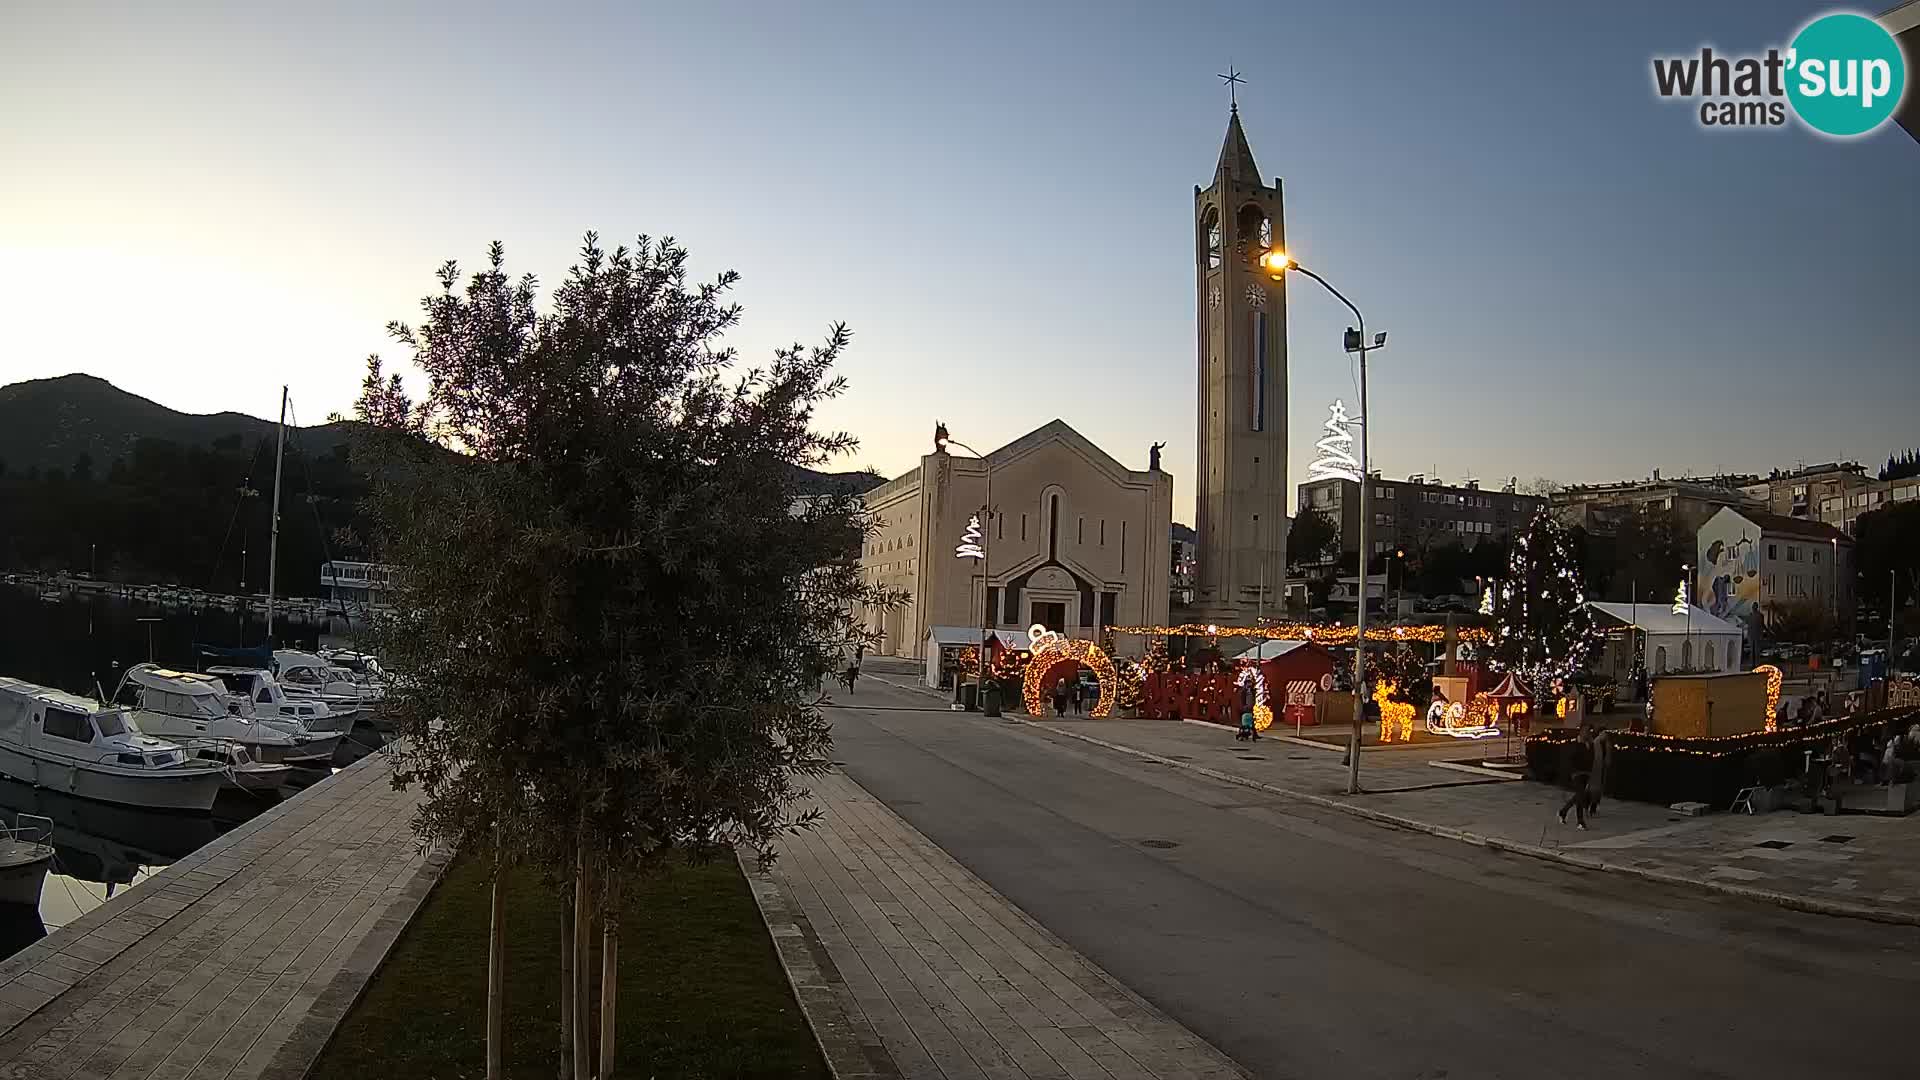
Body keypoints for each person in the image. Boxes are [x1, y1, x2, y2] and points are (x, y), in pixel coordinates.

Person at [1559, 729, 1595, 829]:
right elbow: (1571, 758)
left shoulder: (1590, 744)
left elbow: (1591, 759)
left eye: (1588, 732)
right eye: (1585, 732)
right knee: (1580, 795)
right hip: (1577, 773)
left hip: (1586, 773)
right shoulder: (1576, 744)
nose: (1587, 734)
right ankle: (1580, 821)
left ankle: (1563, 811)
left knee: (1579, 796)